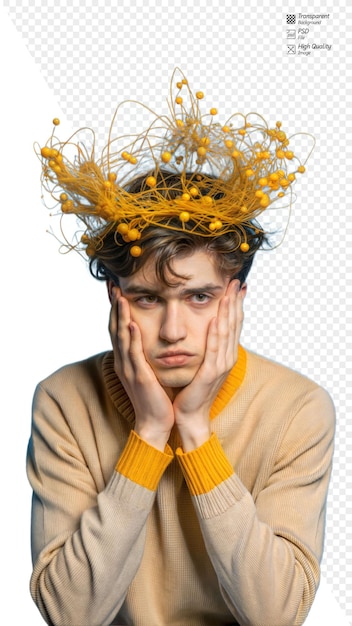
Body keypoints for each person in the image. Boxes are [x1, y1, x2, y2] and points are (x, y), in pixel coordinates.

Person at [27, 70, 335, 626]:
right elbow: (71, 616)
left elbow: (278, 615)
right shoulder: (65, 400)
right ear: (115, 298)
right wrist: (148, 433)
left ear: (235, 298)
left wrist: (194, 432)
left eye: (199, 297)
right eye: (147, 299)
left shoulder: (297, 408)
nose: (172, 331)